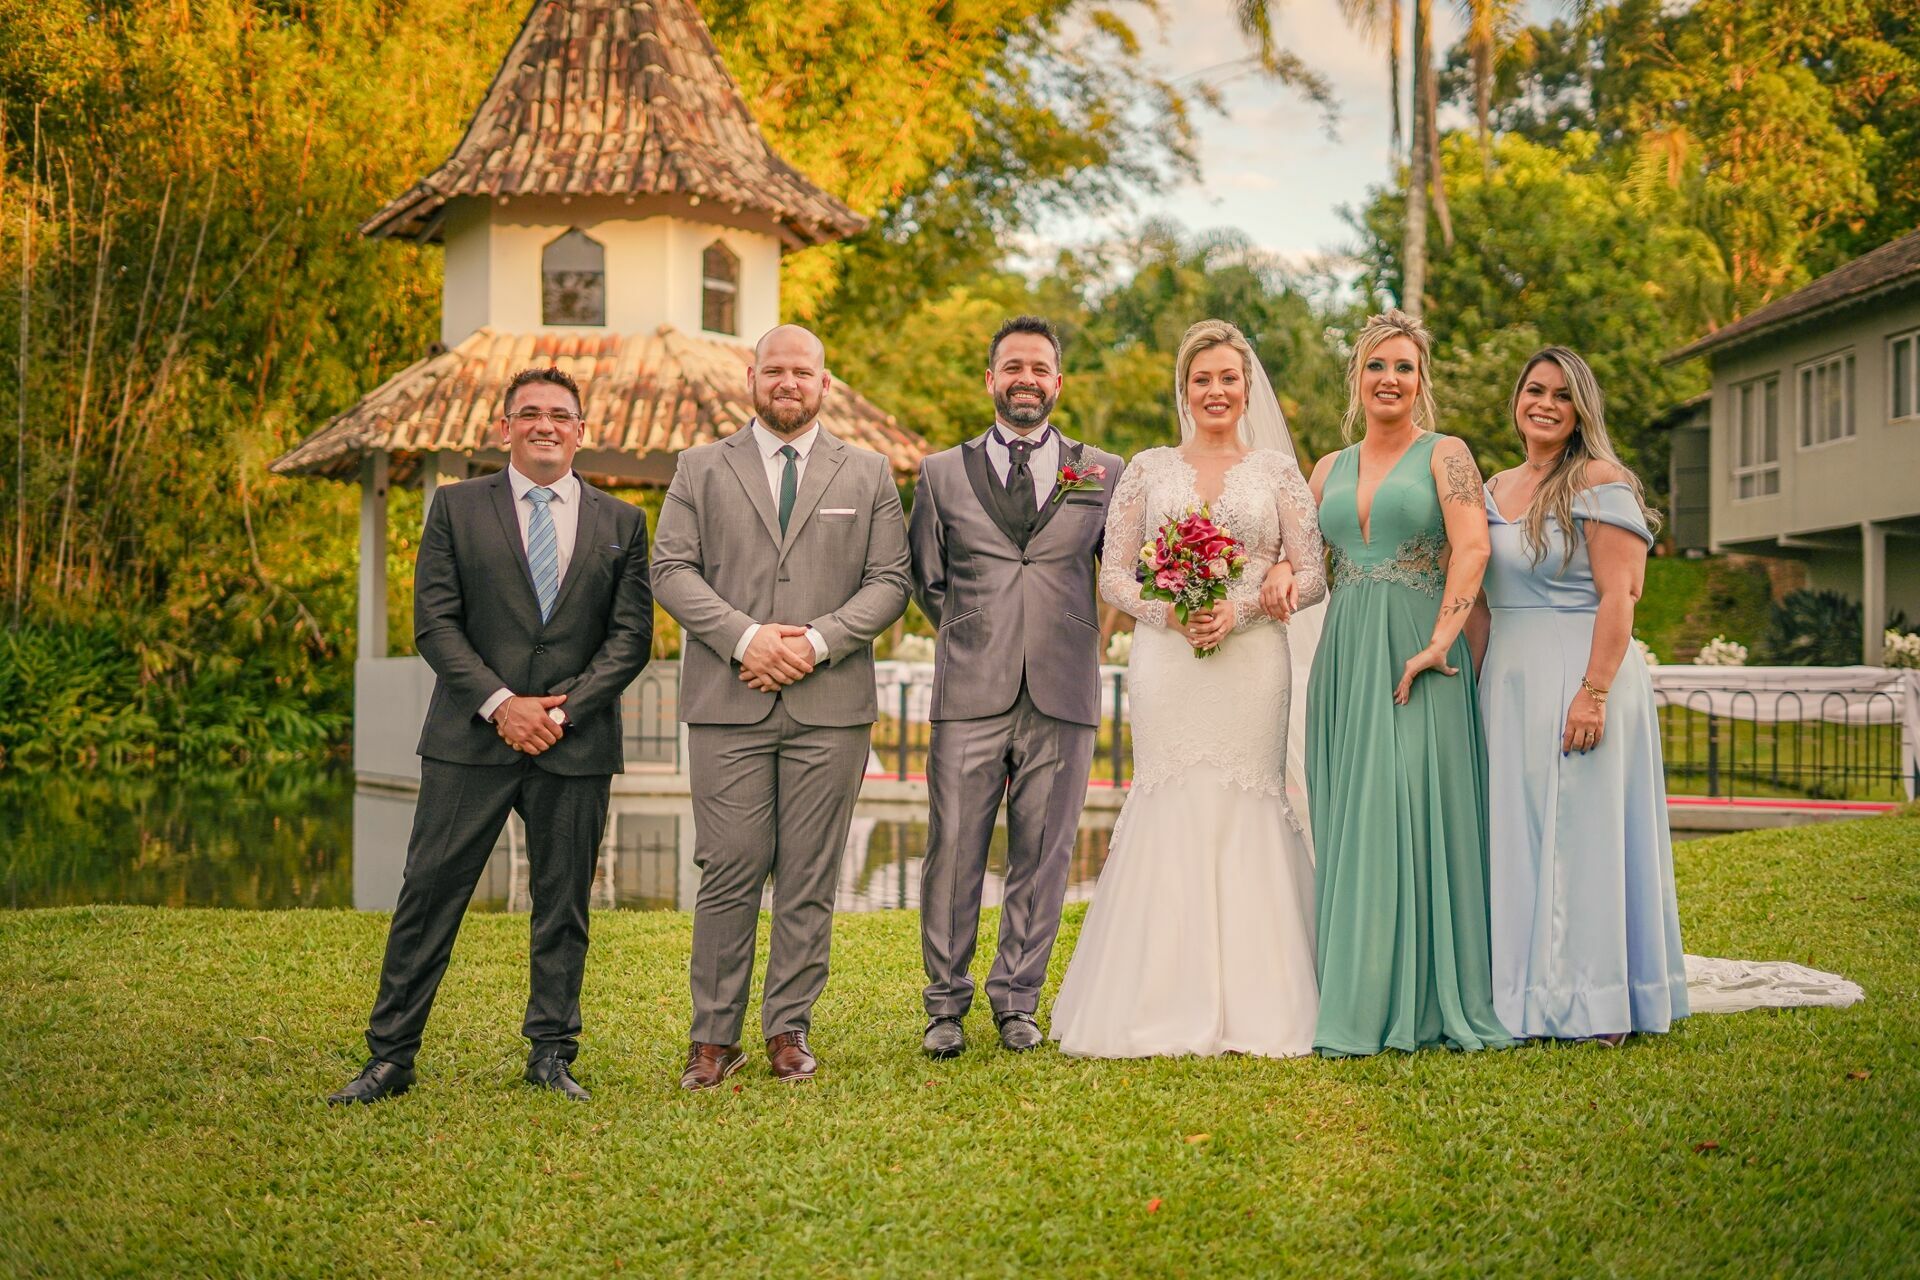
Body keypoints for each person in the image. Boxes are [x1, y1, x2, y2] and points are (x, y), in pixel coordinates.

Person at [328, 366, 654, 1105]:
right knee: (429, 894)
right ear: (504, 428)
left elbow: (630, 640)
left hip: (575, 746)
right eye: (529, 413)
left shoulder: (622, 524)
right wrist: (503, 704)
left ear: (582, 431)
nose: (546, 425)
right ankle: (392, 1055)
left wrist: (559, 714)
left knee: (562, 902)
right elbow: (434, 623)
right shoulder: (455, 507)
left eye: (561, 415)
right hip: (468, 739)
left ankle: (550, 1052)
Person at [1050, 319, 1324, 1058]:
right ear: (1184, 388)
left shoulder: (1275, 473)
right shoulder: (1147, 468)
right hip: (1168, 660)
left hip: (1254, 657)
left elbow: (1317, 570)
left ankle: (1264, 1001)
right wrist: (1169, 611)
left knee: (1246, 797)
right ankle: (1157, 997)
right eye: (1201, 379)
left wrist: (1250, 600)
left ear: (1247, 387)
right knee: (1169, 794)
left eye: (1228, 378)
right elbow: (1111, 573)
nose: (1215, 391)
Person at [652, 325, 911, 1089]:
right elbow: (669, 567)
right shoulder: (699, 468)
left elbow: (891, 581)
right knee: (728, 865)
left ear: (824, 383)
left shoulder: (866, 473)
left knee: (809, 873)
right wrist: (747, 638)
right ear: (752, 377)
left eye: (802, 371)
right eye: (775, 370)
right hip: (728, 700)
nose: (787, 382)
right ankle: (713, 1038)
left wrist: (818, 642)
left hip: (830, 704)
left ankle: (788, 1029)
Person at [908, 316, 1123, 1057]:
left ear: (1058, 384)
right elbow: (926, 579)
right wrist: (975, 633)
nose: (1026, 379)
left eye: (1040, 368)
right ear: (991, 380)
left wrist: (1069, 631)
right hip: (970, 690)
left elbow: (1117, 573)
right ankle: (944, 1005)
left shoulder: (1103, 472)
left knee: (1046, 852)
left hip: (1063, 691)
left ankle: (1018, 1001)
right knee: (953, 849)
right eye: (1012, 367)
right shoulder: (939, 472)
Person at [1304, 309, 1512, 1057]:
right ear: (1357, 380)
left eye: (1404, 367)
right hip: (1346, 652)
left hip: (1421, 650)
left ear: (1421, 382)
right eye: (1376, 366)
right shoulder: (1325, 469)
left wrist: (1438, 641)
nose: (1389, 379)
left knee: (1409, 809)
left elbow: (1474, 546)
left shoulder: (1445, 453)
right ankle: (1355, 990)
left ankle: (1422, 997)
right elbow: (1301, 560)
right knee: (1355, 811)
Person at [1469, 346, 1688, 1043]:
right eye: (1534, 389)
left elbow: (1621, 595)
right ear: (1516, 398)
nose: (1544, 404)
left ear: (1580, 410)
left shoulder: (1597, 479)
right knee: (1518, 837)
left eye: (1562, 396)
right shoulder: (1492, 487)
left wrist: (1592, 692)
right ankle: (1523, 995)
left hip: (1582, 672)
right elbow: (1478, 602)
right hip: (1507, 680)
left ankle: (1595, 1002)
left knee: (1584, 837)